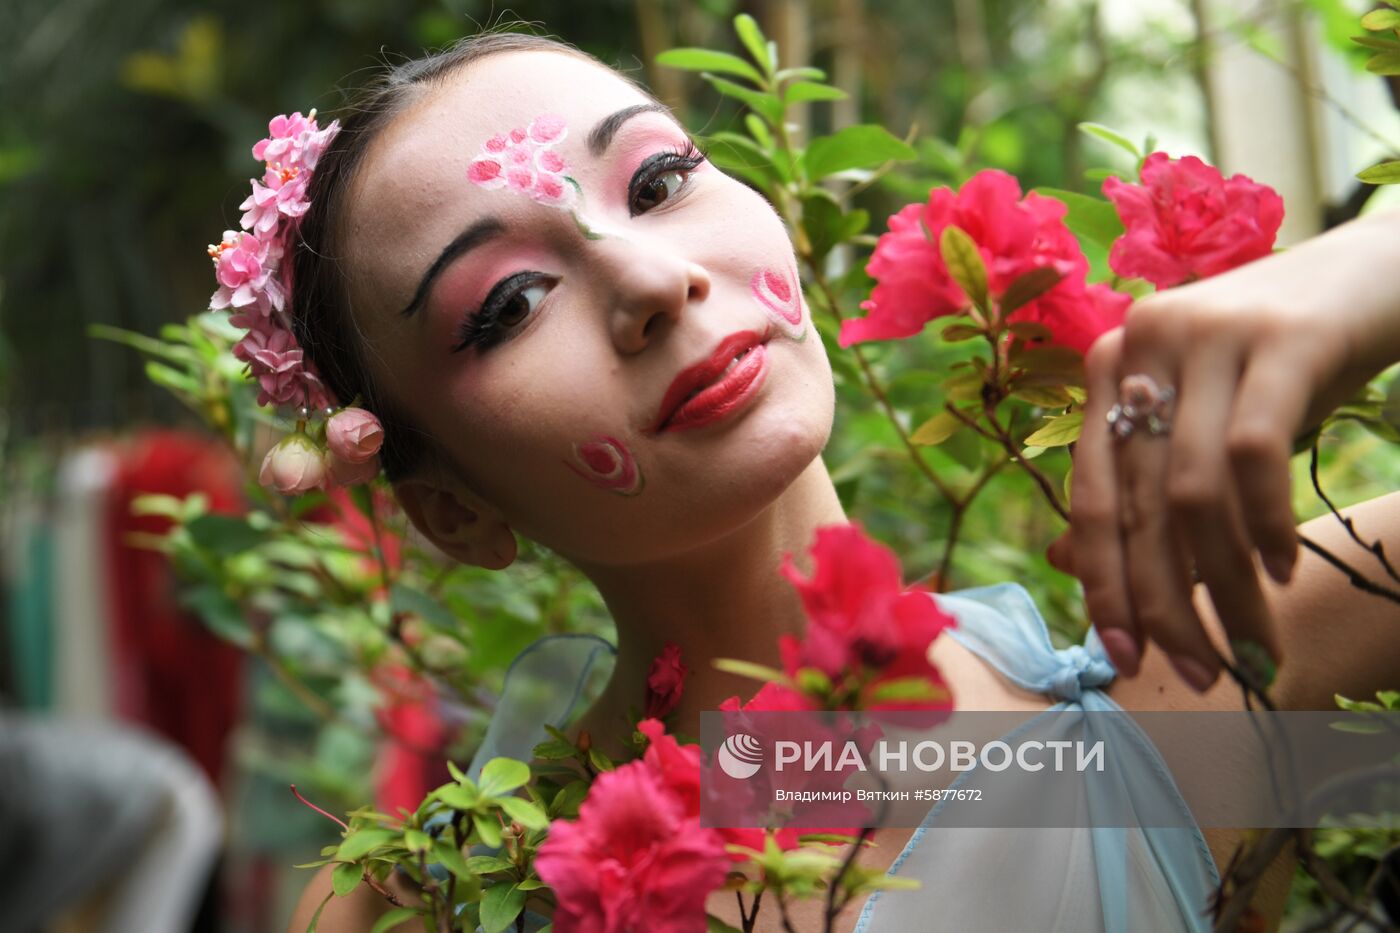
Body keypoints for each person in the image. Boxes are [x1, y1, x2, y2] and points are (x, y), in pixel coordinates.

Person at [274, 31, 1400, 933]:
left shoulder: (1199, 694)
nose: (652, 277)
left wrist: (1356, 275)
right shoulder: (430, 895)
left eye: (659, 180)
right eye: (508, 302)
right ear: (453, 512)